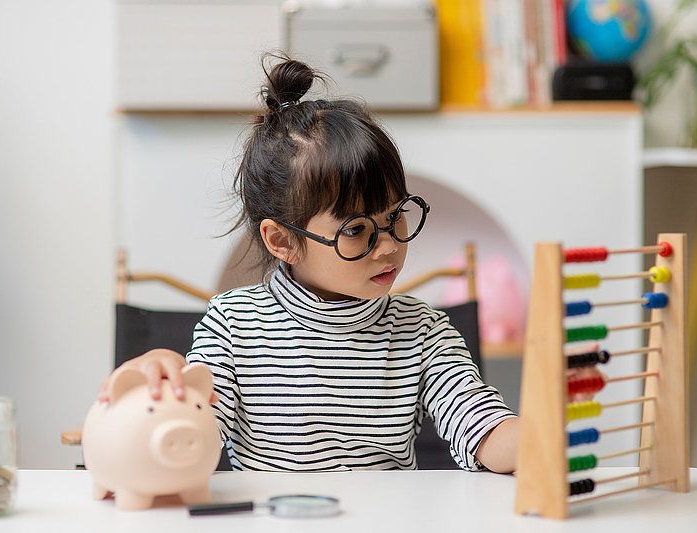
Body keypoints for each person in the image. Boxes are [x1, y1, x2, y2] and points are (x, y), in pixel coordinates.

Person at [99, 56, 519, 473]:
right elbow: (191, 429)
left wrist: (540, 439)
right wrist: (160, 387)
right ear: (283, 241)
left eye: (396, 216)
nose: (389, 245)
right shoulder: (234, 325)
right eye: (356, 230)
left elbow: (485, 428)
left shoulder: (423, 332)